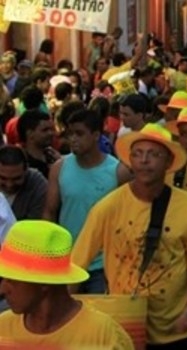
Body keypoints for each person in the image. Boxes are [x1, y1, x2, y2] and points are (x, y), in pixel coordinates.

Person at [72, 123, 187, 348]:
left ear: (168, 162)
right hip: (128, 326)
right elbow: (77, 265)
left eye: (153, 154)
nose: (144, 161)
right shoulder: (107, 208)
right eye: (137, 154)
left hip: (180, 328)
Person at [0, 221, 133, 348]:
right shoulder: (3, 329)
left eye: (11, 280)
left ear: (44, 283)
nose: (3, 289)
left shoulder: (102, 336)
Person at [43, 109, 132, 294]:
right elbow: (50, 212)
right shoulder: (59, 169)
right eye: (70, 134)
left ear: (96, 135)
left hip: (103, 264)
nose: (73, 139)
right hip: (68, 261)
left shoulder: (117, 171)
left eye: (80, 133)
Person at [0, 146, 47, 220]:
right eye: (3, 178)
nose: (9, 184)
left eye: (16, 178)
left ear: (26, 170)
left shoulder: (37, 183)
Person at [16, 110, 60, 177]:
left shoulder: (53, 157)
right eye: (45, 130)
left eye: (51, 129)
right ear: (30, 134)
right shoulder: (23, 164)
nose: (51, 133)